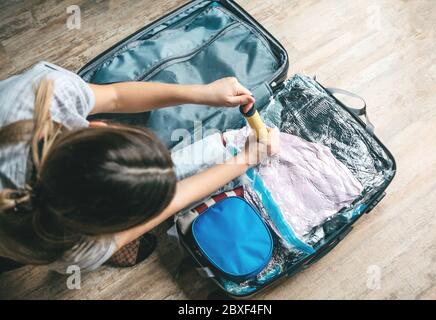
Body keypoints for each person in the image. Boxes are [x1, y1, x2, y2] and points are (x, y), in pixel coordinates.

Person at [0, 61, 279, 273]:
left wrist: (202, 93)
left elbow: (115, 97)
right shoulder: (75, 253)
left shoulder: (44, 93)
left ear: (99, 126)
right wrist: (244, 160)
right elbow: (172, 202)